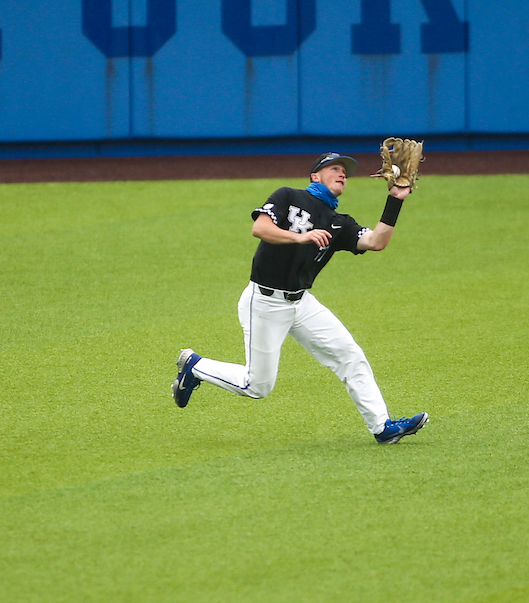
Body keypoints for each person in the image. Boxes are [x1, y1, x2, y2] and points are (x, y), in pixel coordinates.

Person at [171, 152, 428, 444]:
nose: (342, 173)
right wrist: (300, 237)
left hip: (302, 304)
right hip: (265, 302)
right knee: (257, 386)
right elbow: (260, 228)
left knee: (350, 355)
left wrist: (395, 198)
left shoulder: (338, 222)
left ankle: (382, 428)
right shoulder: (288, 196)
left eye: (345, 171)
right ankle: (195, 366)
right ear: (315, 176)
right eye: (334, 168)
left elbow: (376, 241)